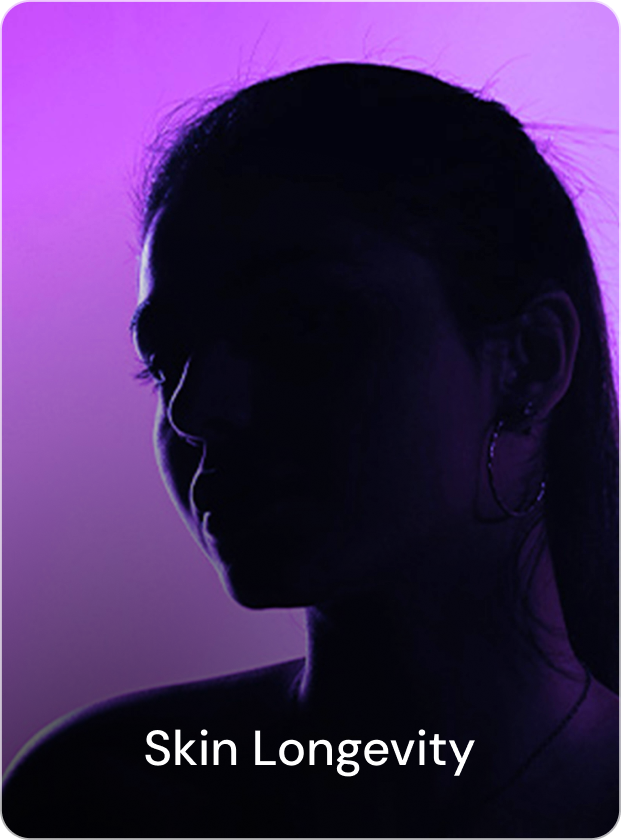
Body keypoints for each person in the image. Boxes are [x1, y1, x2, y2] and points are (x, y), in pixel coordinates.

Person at [3, 62, 618, 838]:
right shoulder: (94, 799)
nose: (193, 411)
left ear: (529, 359)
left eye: (297, 325)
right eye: (165, 360)